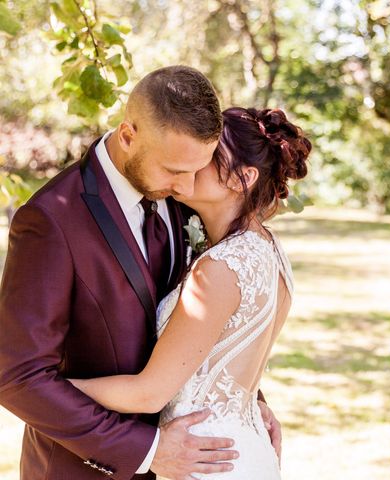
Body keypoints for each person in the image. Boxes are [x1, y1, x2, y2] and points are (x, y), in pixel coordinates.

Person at [0, 66, 281, 479]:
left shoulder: (178, 195)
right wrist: (147, 451)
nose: (187, 184)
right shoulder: (51, 221)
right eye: (174, 170)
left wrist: (244, 396)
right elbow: (17, 376)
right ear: (129, 135)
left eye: (197, 168)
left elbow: (203, 323)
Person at [68, 106, 311, 479]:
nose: (193, 161)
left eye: (211, 155)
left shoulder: (219, 269)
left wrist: (52, 387)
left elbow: (149, 393)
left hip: (210, 463)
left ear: (243, 177)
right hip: (244, 451)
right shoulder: (271, 251)